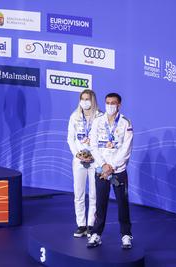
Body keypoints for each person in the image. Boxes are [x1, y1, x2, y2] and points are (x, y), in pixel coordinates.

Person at [86, 93, 134, 249]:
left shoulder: (126, 123)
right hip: (101, 170)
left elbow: (126, 149)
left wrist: (111, 166)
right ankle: (96, 234)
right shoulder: (98, 121)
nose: (110, 105)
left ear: (119, 105)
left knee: (122, 203)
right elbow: (93, 145)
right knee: (100, 202)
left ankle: (126, 235)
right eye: (107, 102)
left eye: (113, 103)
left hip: (118, 171)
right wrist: (103, 165)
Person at [67, 89, 101, 238]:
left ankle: (91, 225)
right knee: (79, 193)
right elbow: (70, 138)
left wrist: (95, 155)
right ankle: (81, 225)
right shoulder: (74, 116)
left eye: (87, 99)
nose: (85, 102)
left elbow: (102, 139)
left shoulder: (100, 117)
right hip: (79, 160)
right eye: (83, 99)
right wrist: (78, 154)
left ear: (93, 100)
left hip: (95, 160)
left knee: (94, 194)